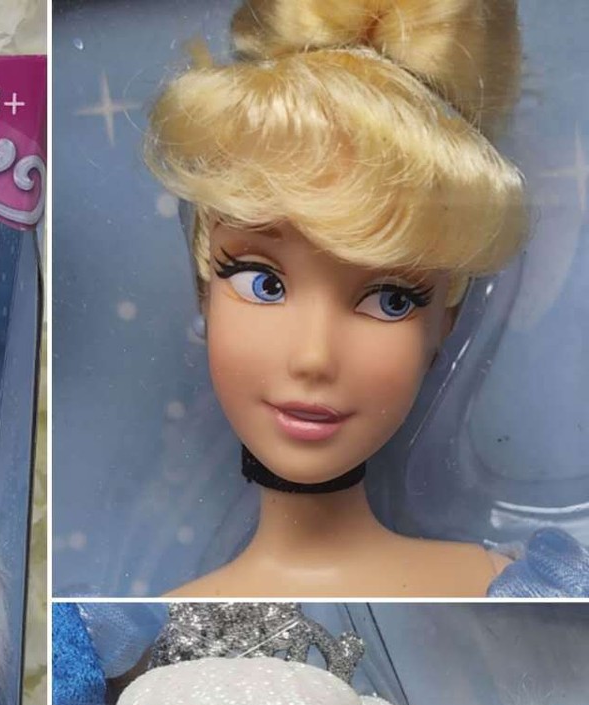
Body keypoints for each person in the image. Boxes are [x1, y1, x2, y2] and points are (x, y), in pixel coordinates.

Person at [145, 0, 533, 596]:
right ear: (206, 292)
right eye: (263, 283)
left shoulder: (511, 586)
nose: (314, 357)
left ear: (446, 321)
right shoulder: (149, 620)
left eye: (391, 299)